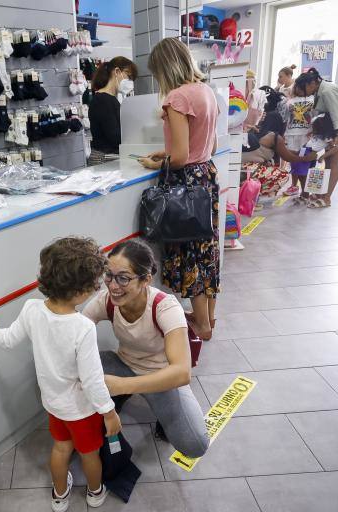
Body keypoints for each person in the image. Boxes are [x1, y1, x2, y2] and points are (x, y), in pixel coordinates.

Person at [0, 237, 121, 512]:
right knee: (89, 454)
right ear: (82, 291)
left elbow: (9, 338)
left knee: (61, 448)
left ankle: (59, 496)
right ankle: (95, 492)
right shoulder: (82, 327)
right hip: (81, 410)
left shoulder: (32, 308)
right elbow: (92, 380)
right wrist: (108, 412)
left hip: (53, 404)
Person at [82, 239, 209, 458]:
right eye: (109, 275)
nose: (113, 285)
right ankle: (115, 400)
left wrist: (121, 385)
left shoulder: (165, 306)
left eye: (123, 278)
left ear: (146, 280)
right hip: (123, 364)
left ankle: (130, 398)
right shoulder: (106, 301)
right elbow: (76, 334)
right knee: (78, 370)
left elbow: (181, 372)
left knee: (195, 444)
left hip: (162, 377)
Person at [137, 37, 220, 341]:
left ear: (164, 68)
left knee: (189, 253)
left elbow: (182, 156)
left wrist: (155, 163)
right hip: (206, 177)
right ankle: (209, 316)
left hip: (185, 181)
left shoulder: (177, 98)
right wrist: (166, 150)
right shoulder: (206, 92)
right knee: (207, 249)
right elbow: (211, 144)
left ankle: (200, 326)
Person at [294, 67, 338, 208]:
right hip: (332, 129)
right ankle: (321, 193)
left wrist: (336, 137)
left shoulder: (328, 91)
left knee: (333, 162)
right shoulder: (321, 90)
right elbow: (325, 115)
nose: (302, 92)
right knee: (327, 163)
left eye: (302, 88)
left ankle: (327, 198)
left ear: (311, 83)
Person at [87, 56, 138, 165]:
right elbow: (114, 136)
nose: (130, 83)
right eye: (129, 77)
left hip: (109, 155)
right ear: (117, 72)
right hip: (104, 158)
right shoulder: (103, 100)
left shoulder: (109, 99)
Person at [289, 113, 338, 204]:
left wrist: (323, 156)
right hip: (304, 153)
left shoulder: (327, 138)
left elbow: (335, 148)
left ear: (321, 128)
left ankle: (305, 195)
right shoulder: (316, 135)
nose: (313, 128)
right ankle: (304, 194)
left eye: (314, 127)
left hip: (308, 156)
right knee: (301, 175)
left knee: (304, 176)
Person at [281, 84, 315, 196]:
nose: (298, 89)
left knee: (304, 166)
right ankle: (298, 189)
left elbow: (317, 116)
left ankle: (305, 193)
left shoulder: (313, 99)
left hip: (306, 138)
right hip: (292, 137)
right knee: (295, 165)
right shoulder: (290, 102)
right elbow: (285, 118)